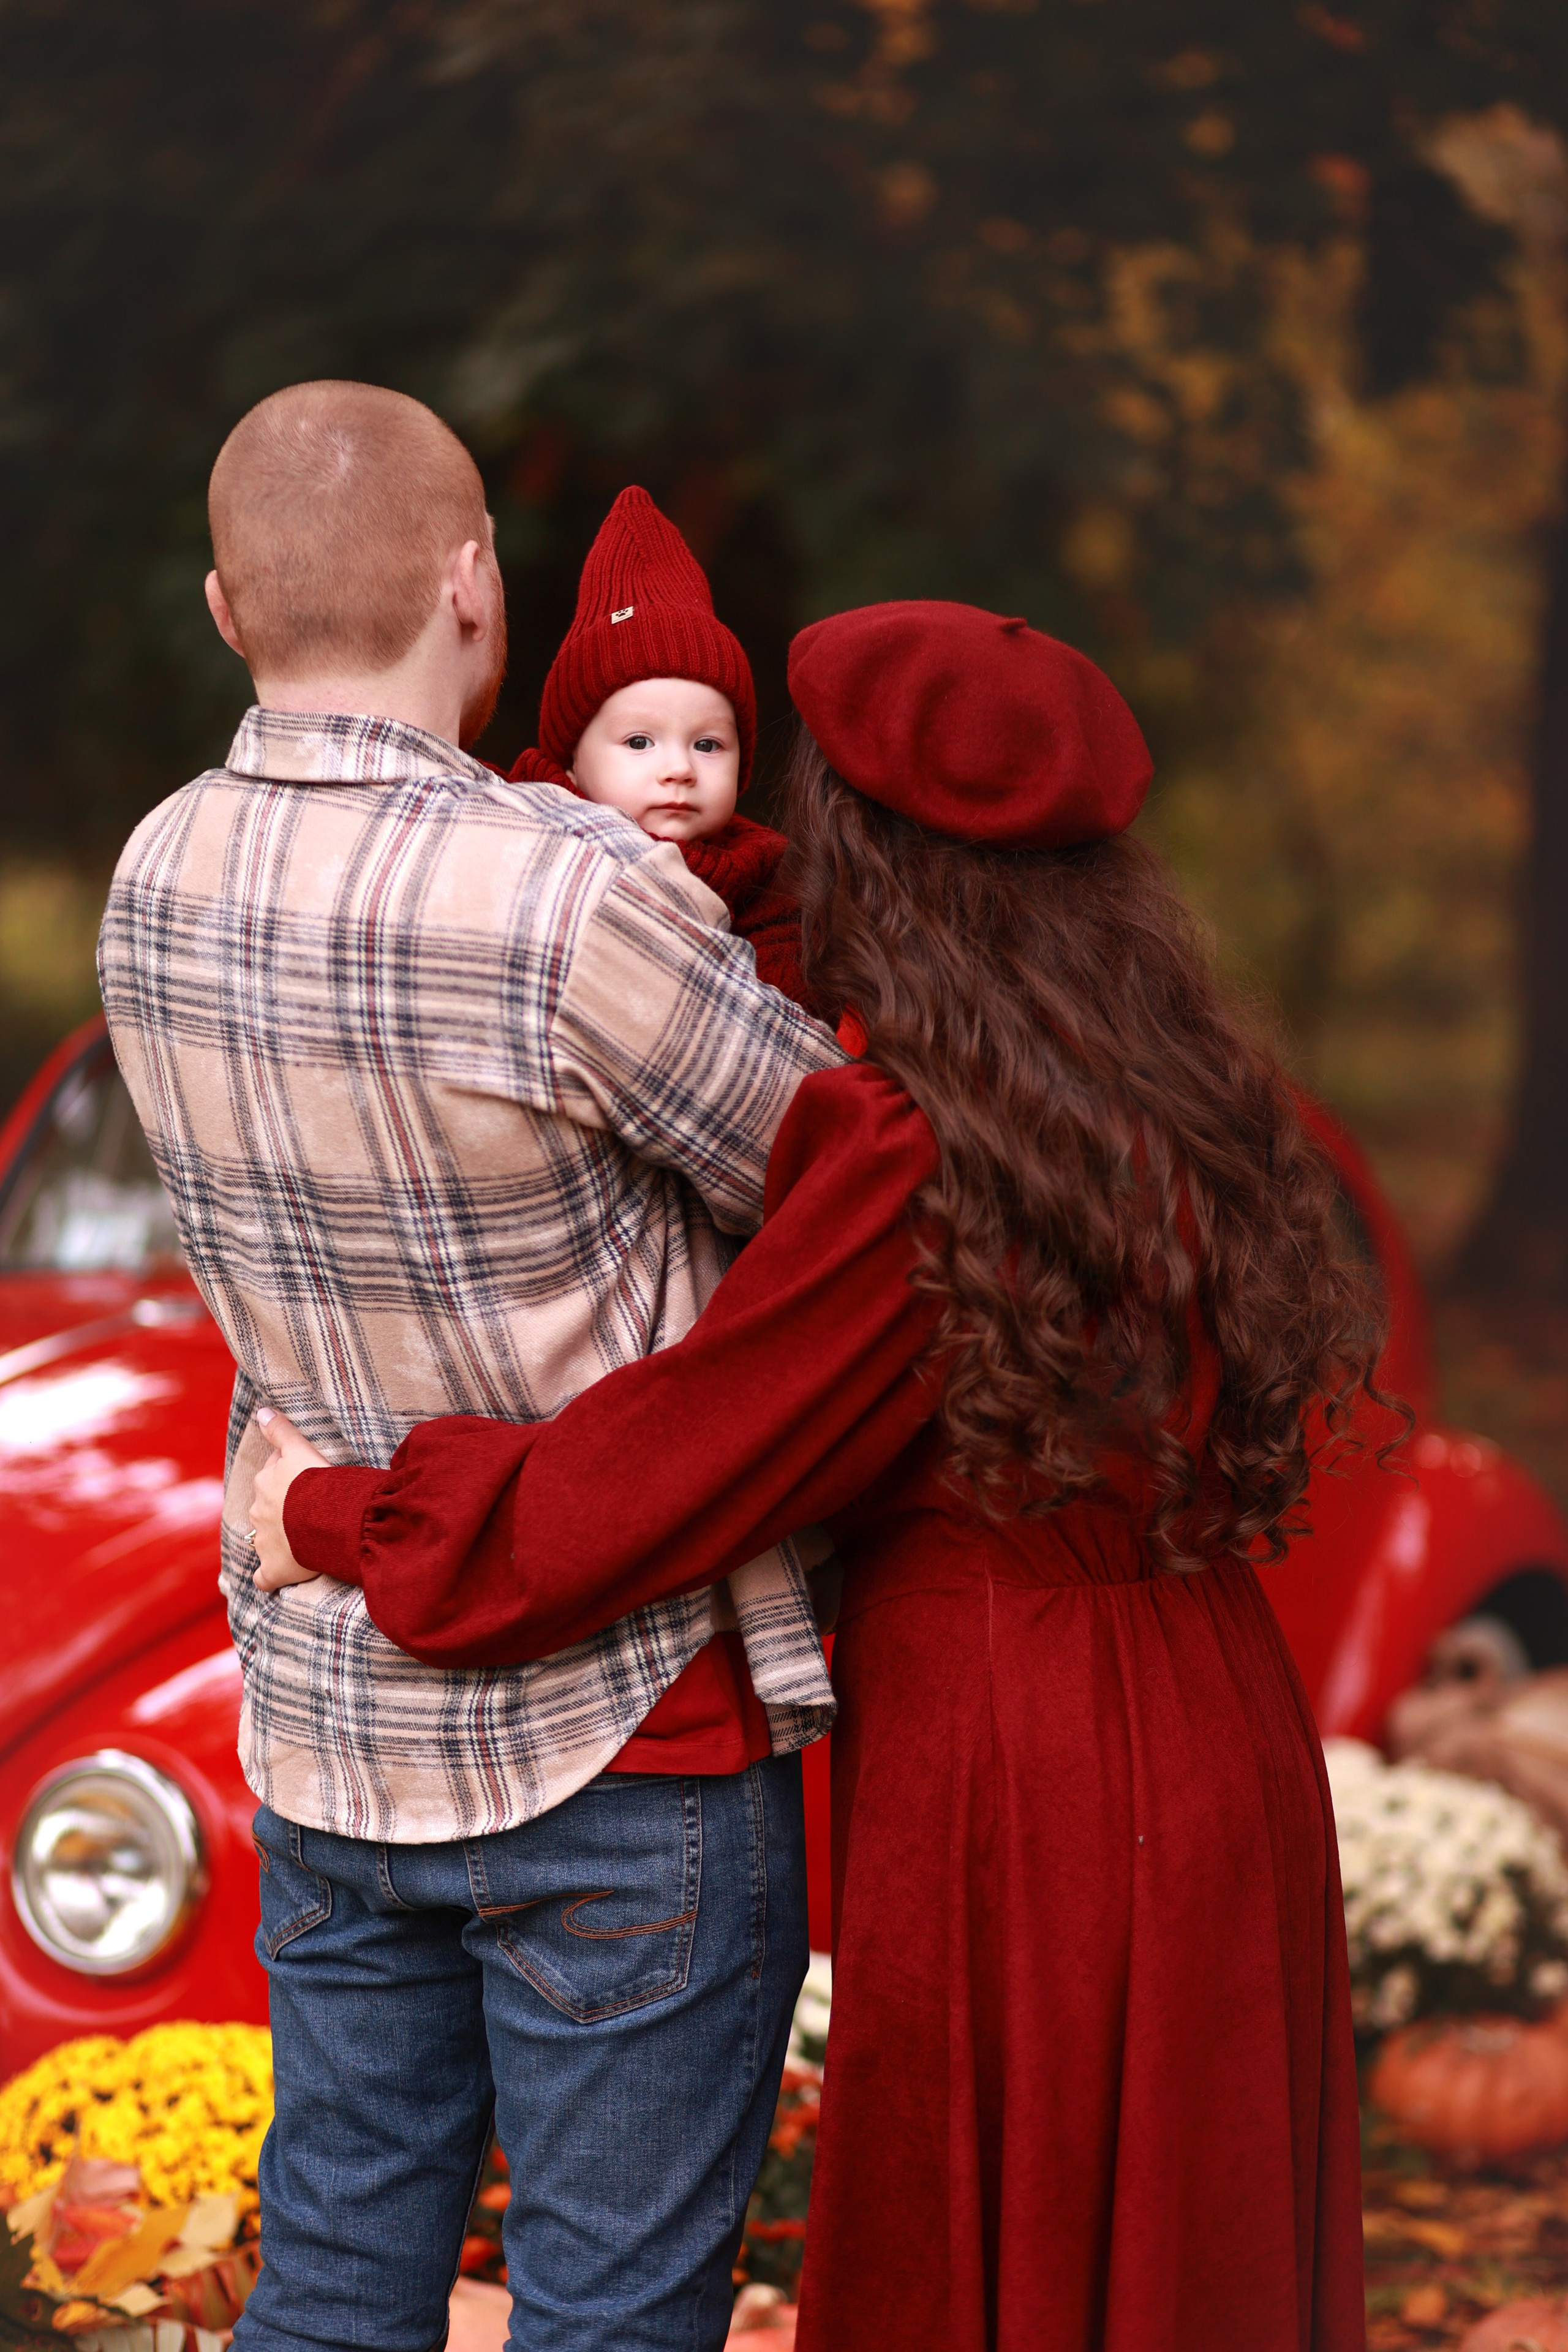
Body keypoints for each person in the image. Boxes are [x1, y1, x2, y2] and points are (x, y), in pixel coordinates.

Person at [253, 598, 1379, 2352]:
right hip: (1218, 1728)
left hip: (1015, 1774)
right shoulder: (1165, 1084)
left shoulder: (915, 1143)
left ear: (855, 843)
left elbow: (681, 1466)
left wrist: (336, 1510)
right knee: (1178, 2268)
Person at [96, 379, 845, 2352]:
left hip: (335, 1713)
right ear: (474, 591)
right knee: (607, 2318)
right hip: (621, 1720)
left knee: (336, 2291)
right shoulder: (567, 892)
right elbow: (838, 1185)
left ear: (222, 606)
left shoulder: (152, 877)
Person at [505, 483, 812, 1005]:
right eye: (640, 741)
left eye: (709, 746)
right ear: (571, 762)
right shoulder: (521, 837)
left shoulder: (770, 889)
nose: (680, 768)